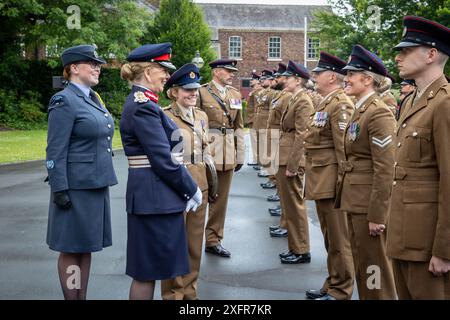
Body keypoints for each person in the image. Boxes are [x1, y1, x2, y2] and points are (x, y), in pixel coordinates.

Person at [120, 43, 202, 300]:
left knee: (150, 270)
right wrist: (191, 189)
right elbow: (163, 160)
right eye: (163, 70)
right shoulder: (143, 105)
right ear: (147, 72)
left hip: (153, 197)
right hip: (154, 199)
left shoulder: (144, 103)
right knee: (146, 272)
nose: (167, 76)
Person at [45, 44, 118, 300]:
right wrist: (59, 188)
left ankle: (80, 297)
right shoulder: (64, 100)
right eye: (92, 64)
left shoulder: (92, 98)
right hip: (75, 188)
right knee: (71, 248)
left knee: (85, 247)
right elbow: (55, 149)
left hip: (95, 185)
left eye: (98, 64)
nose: (98, 68)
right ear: (73, 68)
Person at [387, 16, 450, 299]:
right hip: (404, 236)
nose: (398, 57)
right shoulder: (412, 100)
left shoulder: (444, 104)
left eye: (406, 50)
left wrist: (444, 250)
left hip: (427, 245)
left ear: (431, 54)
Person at [335, 44, 397, 299]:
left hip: (368, 206)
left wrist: (378, 215)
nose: (346, 79)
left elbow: (385, 168)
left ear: (368, 79)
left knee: (375, 267)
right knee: (363, 262)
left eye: (352, 74)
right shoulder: (362, 108)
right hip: (356, 200)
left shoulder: (378, 112)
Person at [303, 51, 355, 300]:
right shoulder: (326, 102)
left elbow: (343, 148)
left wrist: (343, 185)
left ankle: (342, 289)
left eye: (318, 73)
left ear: (332, 76)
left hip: (333, 182)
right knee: (330, 239)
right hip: (321, 179)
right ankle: (333, 282)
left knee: (339, 240)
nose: (314, 77)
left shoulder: (341, 103)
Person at [160, 63, 211, 300]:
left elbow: (205, 150)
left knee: (193, 245)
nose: (192, 94)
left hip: (201, 186)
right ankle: (173, 295)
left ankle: (190, 293)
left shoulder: (201, 116)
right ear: (174, 92)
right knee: (173, 245)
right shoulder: (164, 115)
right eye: (186, 90)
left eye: (195, 89)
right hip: (176, 187)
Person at [197, 59, 244, 258]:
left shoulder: (235, 94)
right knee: (200, 197)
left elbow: (239, 125)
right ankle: (191, 239)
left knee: (220, 200)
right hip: (208, 150)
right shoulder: (201, 92)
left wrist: (240, 153)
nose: (232, 73)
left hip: (228, 152)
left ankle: (214, 240)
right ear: (216, 71)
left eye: (233, 70)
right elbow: (196, 123)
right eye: (228, 70)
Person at [277, 60, 314, 264]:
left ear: (298, 80)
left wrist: (293, 165)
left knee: (295, 205)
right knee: (289, 206)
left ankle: (301, 250)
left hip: (292, 159)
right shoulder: (294, 98)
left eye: (288, 77)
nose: (285, 80)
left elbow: (302, 135)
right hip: (285, 156)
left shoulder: (303, 101)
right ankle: (295, 247)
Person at [246, 70, 262, 166]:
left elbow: (257, 107)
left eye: (253, 79)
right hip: (252, 119)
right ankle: (256, 158)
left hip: (255, 119)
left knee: (257, 140)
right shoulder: (254, 91)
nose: (251, 81)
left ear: (258, 81)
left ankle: (258, 159)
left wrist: (253, 118)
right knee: (254, 140)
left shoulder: (258, 91)